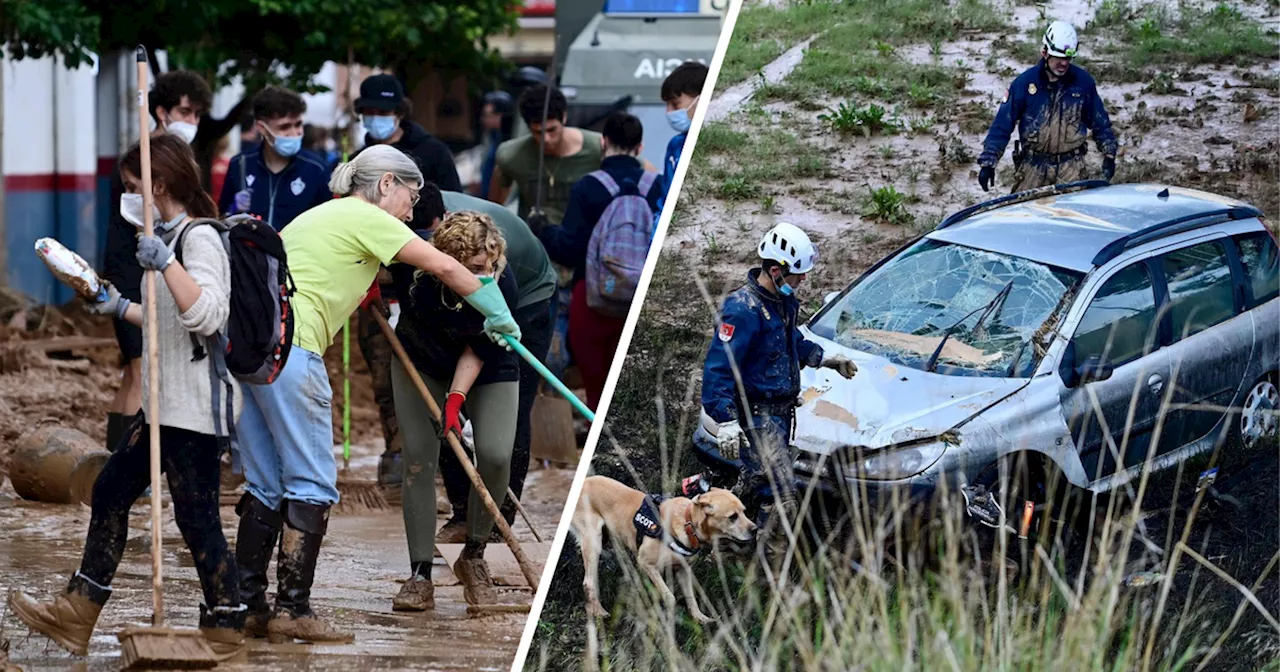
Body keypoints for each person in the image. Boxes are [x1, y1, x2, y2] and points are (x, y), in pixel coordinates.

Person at [231, 145, 521, 644]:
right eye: (411, 196)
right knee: (313, 483)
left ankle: (247, 605)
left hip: (254, 353)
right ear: (386, 184)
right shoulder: (370, 217)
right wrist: (497, 310)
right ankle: (293, 607)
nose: (413, 211)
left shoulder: (320, 215)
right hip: (294, 349)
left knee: (264, 484)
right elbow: (449, 269)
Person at [10, 135, 246, 660]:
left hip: (197, 407)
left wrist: (166, 263)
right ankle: (80, 610)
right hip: (165, 404)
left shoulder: (199, 238)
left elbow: (207, 315)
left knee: (196, 514)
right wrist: (119, 307)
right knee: (115, 490)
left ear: (159, 185)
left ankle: (227, 623)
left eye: (134, 187)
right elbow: (166, 322)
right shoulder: (163, 239)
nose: (129, 195)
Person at [694, 223, 857, 553]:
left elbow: (789, 340)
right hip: (757, 416)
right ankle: (768, 572)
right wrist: (725, 420)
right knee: (781, 495)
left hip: (780, 415)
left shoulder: (782, 303)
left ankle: (724, 549)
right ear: (775, 270)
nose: (803, 281)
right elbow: (718, 370)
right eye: (798, 275)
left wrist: (824, 358)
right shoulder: (742, 311)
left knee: (759, 482)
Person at [388, 211, 521, 610]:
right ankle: (419, 574)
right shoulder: (417, 274)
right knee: (418, 460)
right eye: (468, 269)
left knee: (497, 455)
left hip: (487, 362)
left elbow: (478, 347)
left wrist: (457, 397)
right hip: (421, 359)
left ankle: (473, 556)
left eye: (484, 266)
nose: (478, 277)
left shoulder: (501, 282)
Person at [432, 189, 557, 542]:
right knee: (443, 411)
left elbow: (481, 343)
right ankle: (462, 514)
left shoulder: (495, 266)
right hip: (462, 292)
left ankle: (498, 522)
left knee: (511, 409)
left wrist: (461, 391)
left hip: (530, 301)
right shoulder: (420, 237)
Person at [100, 70, 212, 454]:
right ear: (161, 112)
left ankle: (114, 458)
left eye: (198, 115)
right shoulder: (142, 164)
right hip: (132, 271)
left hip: (157, 270)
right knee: (138, 370)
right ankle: (124, 459)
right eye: (185, 111)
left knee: (132, 374)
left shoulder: (173, 160)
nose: (191, 122)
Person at [537, 113, 663, 409]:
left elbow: (569, 250)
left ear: (603, 143)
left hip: (594, 300)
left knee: (598, 393)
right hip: (640, 300)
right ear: (640, 147)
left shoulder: (588, 187)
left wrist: (544, 230)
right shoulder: (657, 185)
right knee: (633, 388)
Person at [490, 84, 604, 381]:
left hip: (586, 262)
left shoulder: (597, 148)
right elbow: (491, 207)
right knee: (545, 354)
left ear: (564, 117)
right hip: (536, 263)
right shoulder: (512, 154)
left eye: (553, 130)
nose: (547, 140)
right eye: (538, 132)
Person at [978, 20, 1118, 193]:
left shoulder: (1083, 84)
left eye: (1068, 58)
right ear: (1045, 53)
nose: (1064, 64)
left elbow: (1100, 123)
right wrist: (988, 163)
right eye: (1059, 57)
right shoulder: (1023, 84)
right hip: (1032, 169)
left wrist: (1109, 155)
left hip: (1071, 169)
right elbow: (1001, 126)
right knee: (1025, 216)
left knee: (1071, 218)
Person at [219, 86, 333, 229]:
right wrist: (233, 209)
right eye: (284, 127)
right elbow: (222, 218)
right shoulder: (240, 164)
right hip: (250, 250)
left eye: (298, 125)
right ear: (262, 128)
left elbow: (327, 225)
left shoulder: (317, 169)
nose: (294, 133)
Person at [356, 73, 461, 192]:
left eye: (383, 112)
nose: (375, 118)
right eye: (369, 112)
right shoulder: (359, 159)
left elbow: (454, 199)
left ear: (399, 113)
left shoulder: (435, 154)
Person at [657, 61, 707, 213]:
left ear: (700, 100)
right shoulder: (676, 146)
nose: (668, 112)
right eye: (667, 105)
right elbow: (665, 200)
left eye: (675, 104)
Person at [477, 91, 513, 200]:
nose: (484, 120)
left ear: (501, 116)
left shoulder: (507, 143)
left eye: (488, 115)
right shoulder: (491, 138)